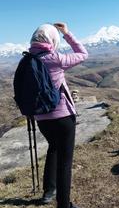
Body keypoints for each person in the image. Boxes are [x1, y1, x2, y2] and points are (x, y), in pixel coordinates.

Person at [29, 23, 88, 208]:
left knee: (53, 148)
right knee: (65, 162)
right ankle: (64, 205)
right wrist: (67, 33)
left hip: (41, 119)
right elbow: (83, 53)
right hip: (63, 118)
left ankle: (49, 191)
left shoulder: (27, 60)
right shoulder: (55, 58)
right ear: (51, 39)